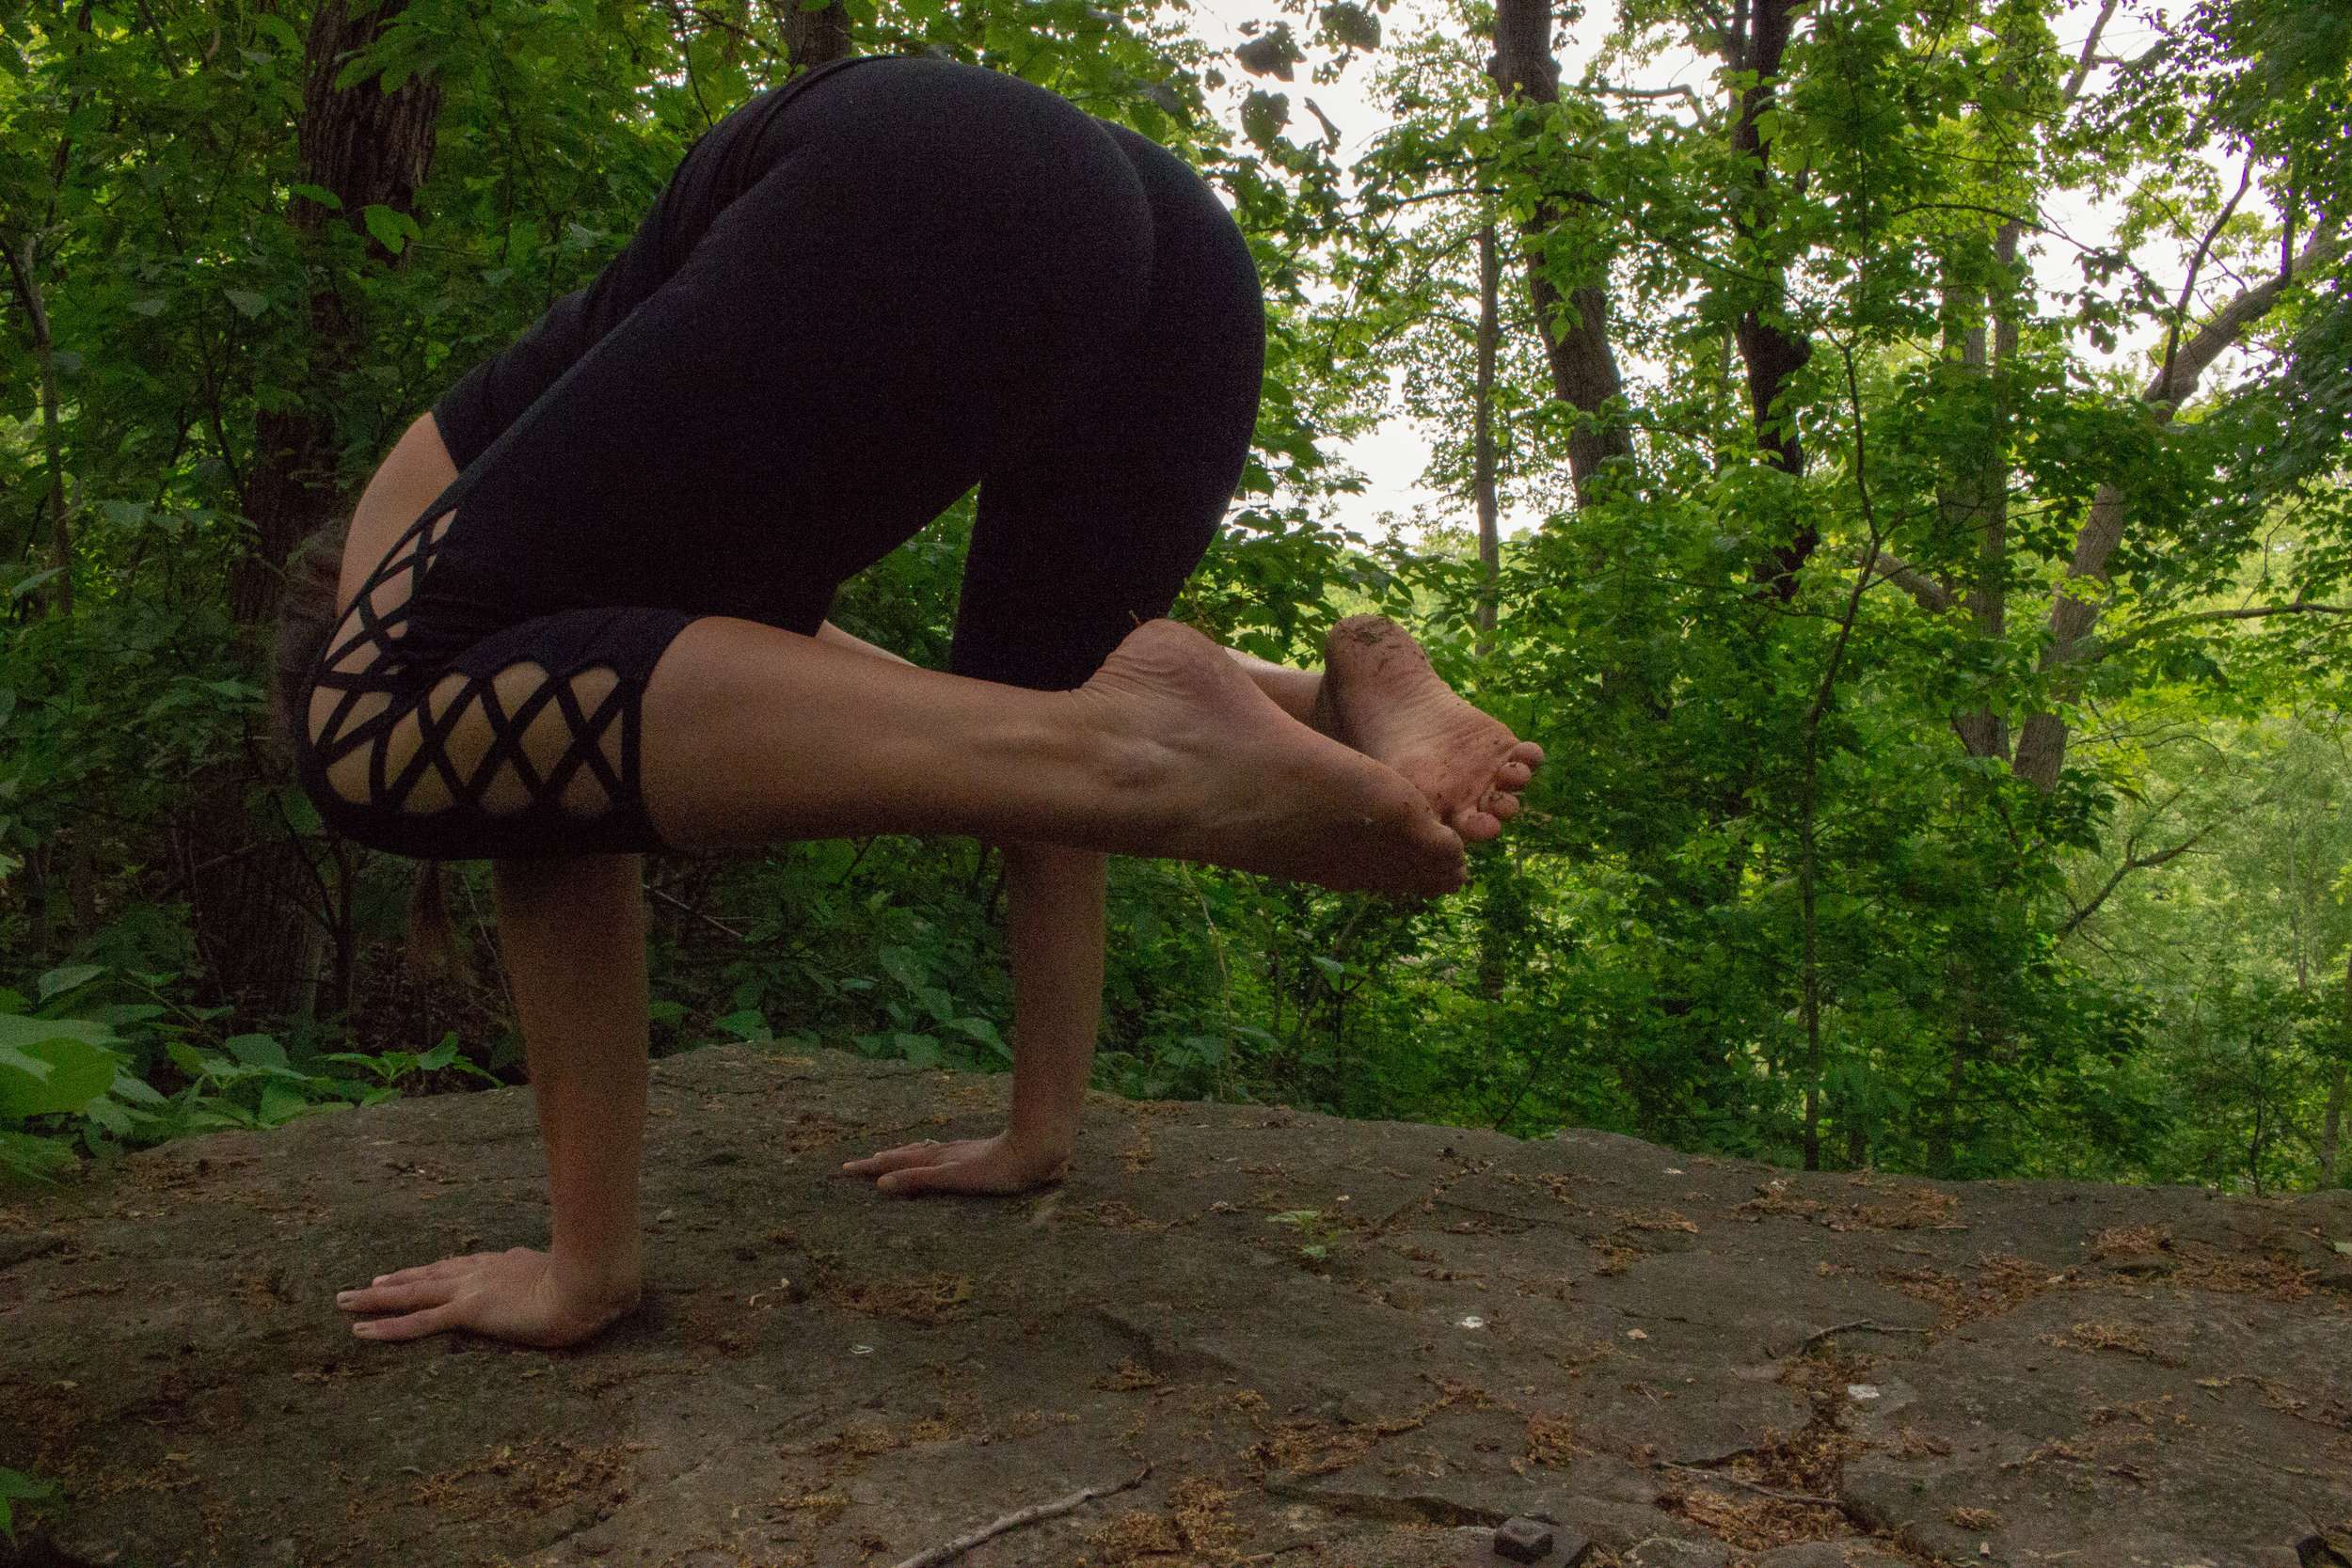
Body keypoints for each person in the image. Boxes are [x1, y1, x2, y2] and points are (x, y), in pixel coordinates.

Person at [283, 55, 1542, 1348]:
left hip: (922, 176)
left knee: (372, 724)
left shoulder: (405, 557)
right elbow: (924, 717)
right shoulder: (562, 517)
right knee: (1041, 691)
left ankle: (1156, 748)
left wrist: (581, 1269)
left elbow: (540, 787)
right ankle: (1329, 708)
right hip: (1142, 234)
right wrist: (1035, 1133)